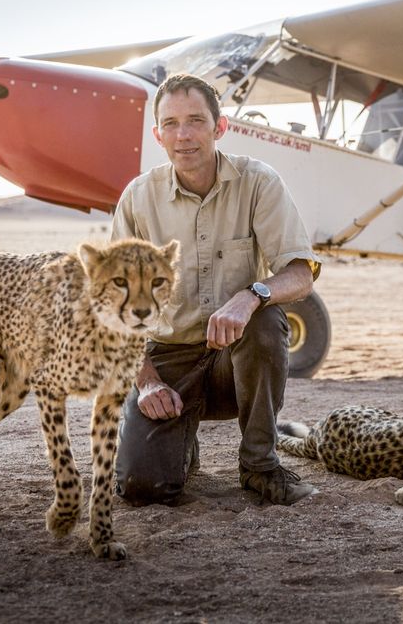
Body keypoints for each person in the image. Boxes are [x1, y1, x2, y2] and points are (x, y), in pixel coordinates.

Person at [110, 73, 320, 506]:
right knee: (142, 488)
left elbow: (300, 274)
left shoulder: (259, 183)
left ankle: (260, 465)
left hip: (234, 358)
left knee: (265, 319)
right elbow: (115, 309)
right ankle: (178, 443)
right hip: (169, 362)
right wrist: (147, 383)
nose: (183, 135)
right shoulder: (137, 199)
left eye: (195, 121)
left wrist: (250, 296)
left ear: (219, 127)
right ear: (158, 135)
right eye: (170, 124)